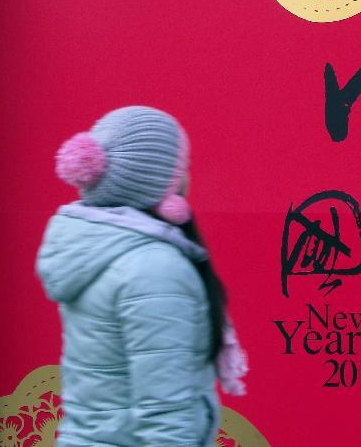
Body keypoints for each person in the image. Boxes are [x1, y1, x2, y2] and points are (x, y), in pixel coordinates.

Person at [35, 105, 248, 447]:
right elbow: (166, 418)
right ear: (159, 183)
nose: (187, 176)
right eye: (181, 167)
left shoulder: (96, 248)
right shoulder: (154, 269)